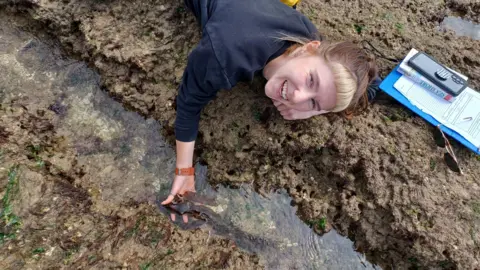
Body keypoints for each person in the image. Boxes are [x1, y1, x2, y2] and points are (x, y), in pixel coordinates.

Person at [160, 0, 379, 225]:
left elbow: (366, 83)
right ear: (309, 48)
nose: (297, 97)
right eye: (311, 80)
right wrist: (184, 170)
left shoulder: (310, 38)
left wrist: (307, 111)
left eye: (314, 103)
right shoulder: (226, 54)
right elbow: (189, 102)